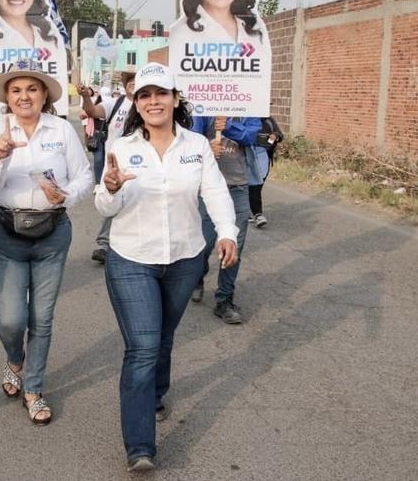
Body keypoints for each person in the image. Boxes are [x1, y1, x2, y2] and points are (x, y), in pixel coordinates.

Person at [95, 62, 238, 472]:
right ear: (136, 104)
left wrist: (227, 232)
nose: (153, 101)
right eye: (144, 95)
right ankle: (141, 446)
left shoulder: (195, 146)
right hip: (131, 258)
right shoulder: (121, 148)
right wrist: (109, 189)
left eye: (161, 93)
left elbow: (214, 193)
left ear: (176, 99)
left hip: (184, 257)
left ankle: (156, 393)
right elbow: (105, 206)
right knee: (142, 346)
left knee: (163, 336)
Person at [0, 62, 92, 425]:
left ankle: (34, 387)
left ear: (44, 95)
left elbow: (85, 176)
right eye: (16, 90)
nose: (24, 96)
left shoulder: (61, 129)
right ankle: (15, 358)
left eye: (32, 89)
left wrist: (65, 195)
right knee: (11, 320)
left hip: (53, 232)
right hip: (7, 231)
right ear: (7, 97)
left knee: (41, 317)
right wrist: (0, 154)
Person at [191, 115, 261, 323]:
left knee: (234, 246)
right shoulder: (204, 109)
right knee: (204, 243)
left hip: (238, 188)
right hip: (208, 189)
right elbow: (191, 138)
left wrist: (228, 127)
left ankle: (224, 300)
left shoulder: (248, 109)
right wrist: (206, 148)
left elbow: (251, 136)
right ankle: (197, 277)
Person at [79, 71, 136, 264]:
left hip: (139, 166)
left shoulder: (147, 105)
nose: (133, 84)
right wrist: (86, 97)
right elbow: (92, 112)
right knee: (111, 201)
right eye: (130, 82)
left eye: (138, 81)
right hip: (113, 165)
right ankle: (103, 244)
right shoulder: (116, 103)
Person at [248, 116, 284, 227]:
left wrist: (275, 136)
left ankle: (254, 212)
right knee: (250, 185)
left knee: (258, 185)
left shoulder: (268, 120)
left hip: (263, 154)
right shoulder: (244, 117)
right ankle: (256, 214)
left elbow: (279, 134)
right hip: (246, 153)